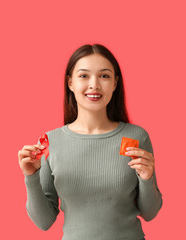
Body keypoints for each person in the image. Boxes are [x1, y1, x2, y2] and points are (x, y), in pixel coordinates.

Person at [18, 44, 163, 240]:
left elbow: (150, 213)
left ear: (115, 83)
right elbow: (44, 222)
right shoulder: (51, 142)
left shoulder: (136, 137)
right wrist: (31, 177)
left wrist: (146, 179)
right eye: (84, 76)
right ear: (70, 82)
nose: (94, 85)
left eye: (104, 76)